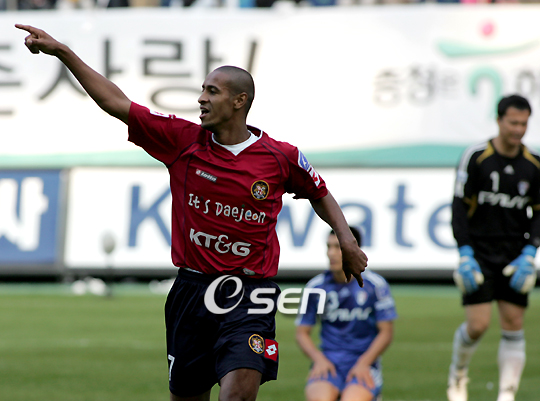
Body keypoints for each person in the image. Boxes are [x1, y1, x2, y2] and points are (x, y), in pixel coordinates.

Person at [15, 24, 368, 401]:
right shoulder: (182, 140)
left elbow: (319, 192)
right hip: (191, 292)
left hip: (250, 294)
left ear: (239, 101)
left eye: (212, 91)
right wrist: (63, 52)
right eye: (202, 89)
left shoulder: (281, 157)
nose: (201, 98)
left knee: (237, 396)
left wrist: (346, 240)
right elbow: (115, 102)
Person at [449, 94, 539, 401]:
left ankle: (506, 395)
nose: (518, 130)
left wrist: (531, 252)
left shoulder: (534, 164)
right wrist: (464, 252)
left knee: (514, 323)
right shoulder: (476, 157)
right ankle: (458, 374)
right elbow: (459, 208)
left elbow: (538, 212)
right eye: (513, 123)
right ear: (499, 120)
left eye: (524, 124)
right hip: (480, 253)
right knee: (478, 325)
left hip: (515, 254)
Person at [296, 227, 396, 401]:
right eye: (328, 247)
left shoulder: (375, 285)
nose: (331, 253)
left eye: (337, 247)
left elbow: (386, 332)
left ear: (354, 251)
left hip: (363, 363)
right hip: (329, 363)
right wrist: (318, 360)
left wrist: (364, 363)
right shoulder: (315, 287)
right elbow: (302, 332)